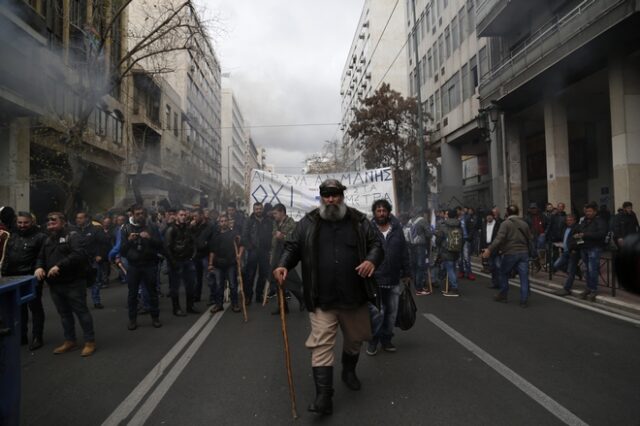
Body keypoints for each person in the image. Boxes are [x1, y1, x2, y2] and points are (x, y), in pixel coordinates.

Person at [273, 179, 384, 416]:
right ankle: (324, 396)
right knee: (322, 344)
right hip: (322, 297)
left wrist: (371, 260)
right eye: (326, 195)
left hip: (354, 297)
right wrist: (283, 264)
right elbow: (293, 247)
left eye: (335, 195)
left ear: (342, 196)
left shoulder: (359, 220)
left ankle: (348, 370)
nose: (331, 199)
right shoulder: (308, 222)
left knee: (355, 341)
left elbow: (377, 244)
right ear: (321, 197)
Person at [34, 212, 96, 356]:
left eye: (53, 220)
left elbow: (78, 254)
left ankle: (89, 342)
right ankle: (70, 341)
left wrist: (59, 266)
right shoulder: (48, 239)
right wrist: (39, 267)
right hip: (55, 284)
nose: (50, 222)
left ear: (63, 222)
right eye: (48, 220)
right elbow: (40, 257)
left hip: (73, 282)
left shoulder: (73, 235)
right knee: (64, 314)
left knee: (81, 312)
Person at [366, 199, 411, 355]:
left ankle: (386, 340)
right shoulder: (368, 230)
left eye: (384, 210)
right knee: (378, 314)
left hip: (393, 279)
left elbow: (404, 251)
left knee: (391, 313)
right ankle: (373, 340)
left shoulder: (397, 229)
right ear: (374, 213)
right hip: (375, 280)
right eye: (378, 211)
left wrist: (407, 272)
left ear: (389, 212)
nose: (381, 213)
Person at [2, 211, 47, 350]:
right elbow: (7, 256)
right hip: (13, 277)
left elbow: (42, 256)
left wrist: (39, 269)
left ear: (32, 222)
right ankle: (22, 336)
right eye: (20, 222)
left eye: (25, 222)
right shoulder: (11, 236)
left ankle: (37, 337)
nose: (22, 225)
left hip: (30, 277)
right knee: (18, 308)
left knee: (35, 308)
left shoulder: (40, 237)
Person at [120, 206, 163, 330]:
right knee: (132, 294)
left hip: (150, 264)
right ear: (132, 215)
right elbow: (122, 250)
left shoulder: (152, 227)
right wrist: (129, 240)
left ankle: (155, 318)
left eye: (142, 213)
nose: (140, 216)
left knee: (152, 293)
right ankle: (132, 320)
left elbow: (160, 245)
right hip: (134, 266)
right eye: (138, 214)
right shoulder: (125, 228)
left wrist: (149, 238)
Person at [482, 204, 532, 308]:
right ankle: (524, 300)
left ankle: (503, 295)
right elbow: (530, 238)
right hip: (524, 253)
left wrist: (489, 249)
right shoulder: (524, 224)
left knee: (503, 272)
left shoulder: (506, 224)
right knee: (523, 276)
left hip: (511, 252)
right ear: (518, 213)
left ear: (507, 213)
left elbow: (499, 238)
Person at [269, 203, 304, 314]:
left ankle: (302, 299)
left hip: (287, 257)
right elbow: (273, 238)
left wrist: (283, 237)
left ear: (282, 212)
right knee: (277, 281)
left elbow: (295, 239)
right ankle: (282, 307)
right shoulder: (275, 223)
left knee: (290, 280)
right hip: (276, 255)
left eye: (275, 213)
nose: (274, 215)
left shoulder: (292, 223)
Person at [164, 208, 199, 316]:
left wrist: (193, 256)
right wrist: (173, 261)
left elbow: (193, 243)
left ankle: (190, 306)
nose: (183, 217)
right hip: (176, 261)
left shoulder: (188, 228)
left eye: (184, 215)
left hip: (187, 260)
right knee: (175, 287)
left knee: (191, 285)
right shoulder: (171, 229)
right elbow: (167, 247)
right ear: (176, 216)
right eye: (181, 215)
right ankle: (176, 309)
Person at [208, 215, 242, 313]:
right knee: (219, 285)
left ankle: (235, 304)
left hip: (230, 263)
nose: (223, 223)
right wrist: (210, 263)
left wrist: (239, 255)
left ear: (228, 222)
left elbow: (241, 244)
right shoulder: (216, 235)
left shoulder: (233, 233)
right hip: (218, 264)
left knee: (233, 285)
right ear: (219, 223)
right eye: (221, 221)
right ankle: (219, 305)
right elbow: (212, 251)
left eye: (225, 221)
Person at [72, 212, 106, 309]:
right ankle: (82, 302)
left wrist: (100, 255)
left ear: (87, 218)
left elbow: (104, 243)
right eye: (77, 218)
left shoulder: (96, 229)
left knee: (95, 281)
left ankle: (96, 301)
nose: (78, 220)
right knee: (80, 282)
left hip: (93, 259)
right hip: (79, 260)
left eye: (80, 218)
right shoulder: (74, 230)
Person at [573, 202, 607, 301]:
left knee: (593, 270)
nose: (587, 213)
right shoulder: (584, 221)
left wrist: (585, 235)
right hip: (584, 248)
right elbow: (577, 231)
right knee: (586, 270)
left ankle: (593, 290)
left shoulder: (600, 221)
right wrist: (579, 241)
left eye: (590, 211)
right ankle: (588, 288)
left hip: (594, 248)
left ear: (595, 211)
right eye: (586, 211)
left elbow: (601, 234)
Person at [242, 202, 274, 304]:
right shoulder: (249, 221)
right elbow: (244, 236)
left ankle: (259, 295)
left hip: (264, 251)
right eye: (256, 209)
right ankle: (248, 296)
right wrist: (250, 247)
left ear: (262, 209)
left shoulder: (268, 221)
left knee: (263, 274)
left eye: (260, 209)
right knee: (250, 275)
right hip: (253, 251)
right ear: (253, 209)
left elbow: (271, 235)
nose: (258, 211)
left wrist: (270, 248)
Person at [435, 209, 464, 297]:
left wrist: (438, 245)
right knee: (453, 268)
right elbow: (462, 237)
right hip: (456, 249)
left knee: (450, 269)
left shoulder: (444, 225)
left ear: (448, 215)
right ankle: (452, 285)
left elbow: (439, 238)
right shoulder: (459, 225)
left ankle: (454, 288)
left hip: (447, 250)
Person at [191, 208, 217, 304]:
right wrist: (190, 227)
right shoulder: (193, 226)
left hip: (206, 254)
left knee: (209, 277)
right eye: (193, 216)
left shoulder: (210, 226)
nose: (194, 218)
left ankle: (213, 297)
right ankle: (196, 295)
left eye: (196, 216)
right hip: (196, 254)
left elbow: (213, 240)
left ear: (201, 215)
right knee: (197, 278)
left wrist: (207, 245)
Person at [553, 214, 581, 296]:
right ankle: (576, 271)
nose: (568, 221)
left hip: (573, 252)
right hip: (565, 251)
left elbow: (579, 241)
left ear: (574, 220)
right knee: (556, 265)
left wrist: (575, 249)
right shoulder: (565, 228)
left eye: (570, 220)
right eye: (567, 220)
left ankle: (566, 288)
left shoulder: (577, 228)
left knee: (570, 271)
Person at [410, 208, 433, 296]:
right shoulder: (422, 220)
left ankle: (416, 286)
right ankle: (419, 289)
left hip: (411, 246)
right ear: (421, 213)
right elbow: (429, 234)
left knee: (414, 266)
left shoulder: (410, 221)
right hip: (420, 246)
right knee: (420, 266)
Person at [480, 212, 501, 289]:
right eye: (487, 216)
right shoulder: (484, 224)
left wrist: (500, 248)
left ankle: (501, 282)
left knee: (498, 266)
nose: (488, 217)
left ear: (493, 216)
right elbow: (482, 236)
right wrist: (482, 248)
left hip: (496, 247)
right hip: (487, 247)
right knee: (491, 266)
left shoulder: (498, 225)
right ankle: (494, 282)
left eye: (490, 216)